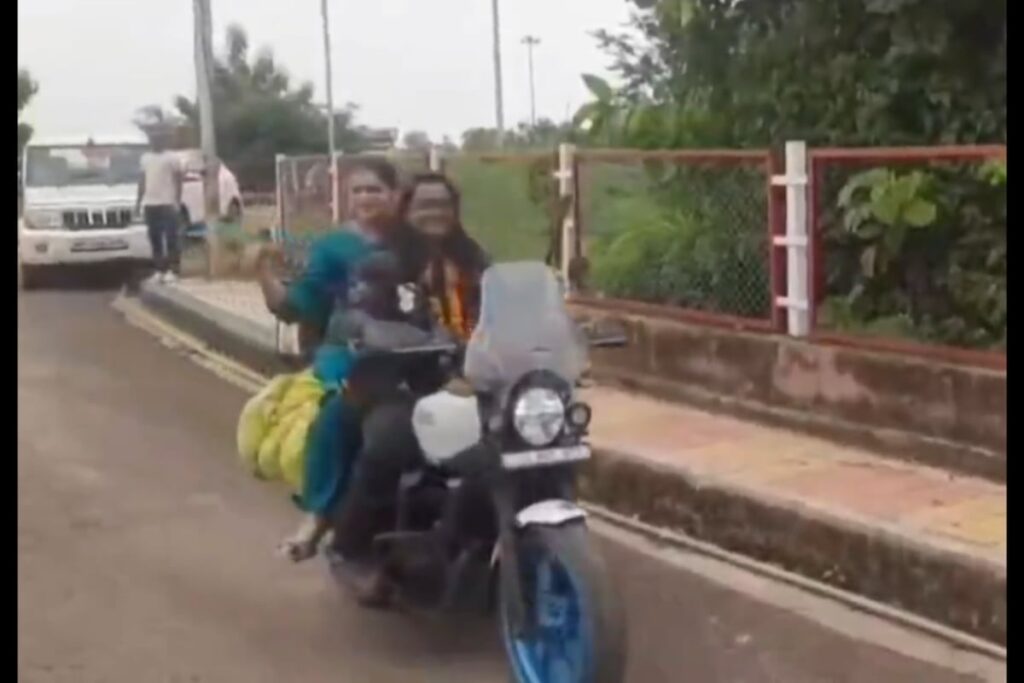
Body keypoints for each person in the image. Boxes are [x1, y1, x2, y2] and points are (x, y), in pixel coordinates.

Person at [328, 173, 490, 606]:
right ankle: (353, 547)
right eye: (425, 206)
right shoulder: (383, 263)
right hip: (399, 379)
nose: (435, 214)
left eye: (443, 205)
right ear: (407, 211)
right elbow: (355, 317)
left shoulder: (475, 261)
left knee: (531, 433)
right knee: (390, 440)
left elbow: (508, 309)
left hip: (473, 378)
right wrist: (383, 332)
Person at [256, 156, 417, 562]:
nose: (366, 198)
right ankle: (318, 517)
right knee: (338, 411)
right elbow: (297, 305)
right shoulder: (333, 248)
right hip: (353, 351)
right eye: (358, 190)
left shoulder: (417, 241)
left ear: (395, 195)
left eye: (374, 189)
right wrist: (262, 270)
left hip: (419, 348)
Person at [136, 134, 184, 284]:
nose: (156, 142)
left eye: (159, 139)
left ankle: (173, 270)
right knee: (155, 238)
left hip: (167, 203)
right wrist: (138, 203)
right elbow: (142, 181)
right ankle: (159, 270)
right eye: (154, 139)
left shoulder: (172, 158)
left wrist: (177, 200)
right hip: (150, 203)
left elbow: (179, 180)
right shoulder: (145, 158)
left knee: (171, 238)